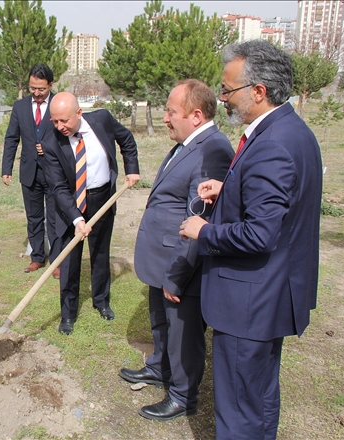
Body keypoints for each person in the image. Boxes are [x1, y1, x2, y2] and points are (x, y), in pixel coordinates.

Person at [179, 40, 323, 439]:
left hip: (250, 303)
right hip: (270, 294)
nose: (222, 98)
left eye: (227, 90)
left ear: (258, 91)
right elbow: (281, 207)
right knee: (257, 397)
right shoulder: (290, 130)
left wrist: (203, 230)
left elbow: (260, 234)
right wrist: (228, 190)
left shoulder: (272, 144)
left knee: (240, 409)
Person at [119, 80, 234, 421]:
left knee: (184, 332)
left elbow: (198, 219)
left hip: (181, 263)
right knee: (162, 323)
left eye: (171, 112)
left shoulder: (212, 150)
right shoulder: (189, 143)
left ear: (196, 115)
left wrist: (178, 275)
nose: (166, 118)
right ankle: (159, 368)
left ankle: (183, 395)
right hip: (162, 260)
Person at [42, 92, 140, 335]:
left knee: (100, 254)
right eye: (54, 121)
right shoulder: (50, 142)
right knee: (69, 261)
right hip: (70, 205)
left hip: (103, 198)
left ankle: (101, 301)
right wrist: (76, 219)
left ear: (79, 113)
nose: (59, 126)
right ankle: (68, 313)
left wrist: (132, 168)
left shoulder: (103, 120)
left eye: (64, 120)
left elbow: (126, 139)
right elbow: (58, 188)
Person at [1, 64, 60, 278]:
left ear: (50, 86)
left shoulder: (59, 104)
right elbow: (11, 138)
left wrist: (49, 147)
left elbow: (69, 135)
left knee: (55, 218)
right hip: (29, 172)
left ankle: (57, 260)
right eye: (32, 88)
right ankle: (37, 257)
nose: (36, 93)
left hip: (54, 172)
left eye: (41, 89)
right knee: (33, 217)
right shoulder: (20, 107)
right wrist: (6, 168)